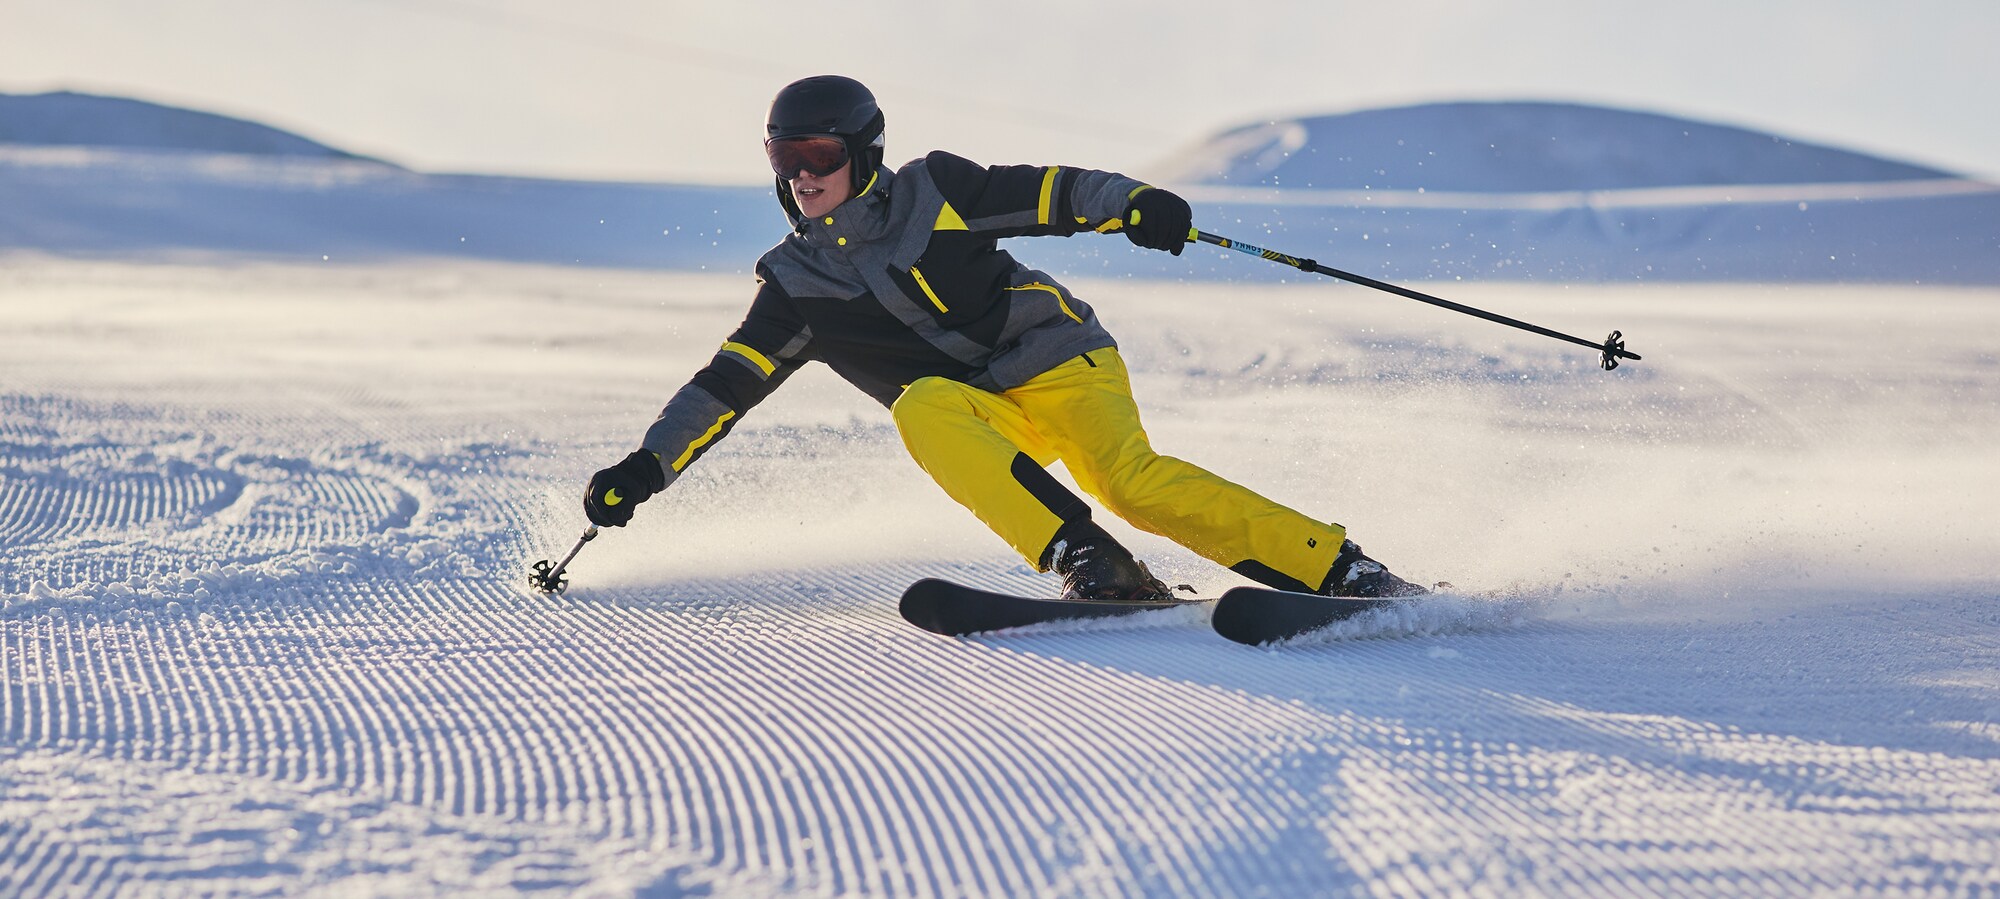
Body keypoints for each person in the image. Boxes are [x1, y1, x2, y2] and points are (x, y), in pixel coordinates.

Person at [583, 75, 1425, 602]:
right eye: (781, 155)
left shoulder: (933, 191)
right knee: (921, 409)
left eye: (815, 151)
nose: (799, 173)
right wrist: (646, 466)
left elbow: (1052, 192)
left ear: (863, 152)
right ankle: (1090, 559)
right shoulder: (797, 285)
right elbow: (725, 385)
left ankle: (1338, 568)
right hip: (983, 409)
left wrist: (1132, 202)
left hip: (1061, 361)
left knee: (1132, 482)